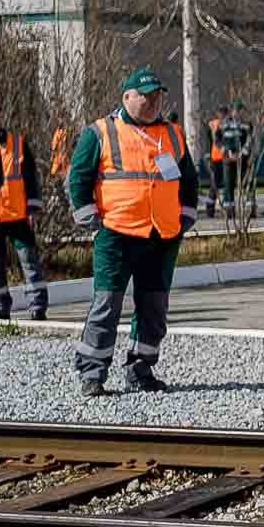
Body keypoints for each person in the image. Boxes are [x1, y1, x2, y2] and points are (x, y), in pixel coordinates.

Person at [66, 69, 199, 395]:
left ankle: (141, 370)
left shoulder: (173, 133)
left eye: (158, 95)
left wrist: (186, 217)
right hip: (116, 235)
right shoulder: (99, 132)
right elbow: (78, 179)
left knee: (153, 309)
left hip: (162, 237)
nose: (154, 101)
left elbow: (189, 179)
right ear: (127, 97)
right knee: (106, 304)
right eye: (146, 95)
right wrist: (90, 219)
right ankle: (93, 374)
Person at [0, 104, 49, 320]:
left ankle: (38, 304)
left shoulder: (17, 143)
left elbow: (30, 177)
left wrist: (33, 207)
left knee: (29, 259)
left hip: (17, 214)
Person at [218, 100, 252, 217]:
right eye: (235, 110)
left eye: (239, 110)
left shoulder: (246, 124)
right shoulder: (224, 124)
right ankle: (229, 210)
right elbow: (218, 139)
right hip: (228, 159)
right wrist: (226, 151)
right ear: (231, 111)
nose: (237, 113)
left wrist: (241, 154)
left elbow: (249, 140)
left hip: (242, 159)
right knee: (228, 184)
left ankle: (248, 210)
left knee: (245, 182)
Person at [203, 104, 228, 217]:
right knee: (217, 183)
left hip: (219, 157)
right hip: (219, 157)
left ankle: (211, 207)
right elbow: (209, 140)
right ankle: (211, 207)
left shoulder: (212, 124)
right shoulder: (216, 124)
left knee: (217, 183)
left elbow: (208, 141)